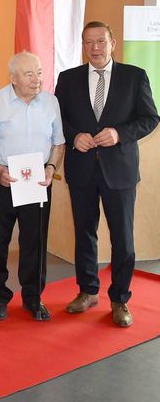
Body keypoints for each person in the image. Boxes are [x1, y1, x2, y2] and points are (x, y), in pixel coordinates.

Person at [55, 21, 159, 327]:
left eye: (100, 41)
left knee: (123, 239)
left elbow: (150, 118)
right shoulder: (68, 79)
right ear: (83, 46)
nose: (95, 48)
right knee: (85, 234)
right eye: (88, 43)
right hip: (82, 169)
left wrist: (119, 133)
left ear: (112, 43)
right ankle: (87, 291)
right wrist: (74, 136)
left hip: (120, 170)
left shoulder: (134, 76)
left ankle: (119, 298)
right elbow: (58, 119)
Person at [0, 52, 65, 322]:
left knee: (34, 241)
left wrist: (51, 168)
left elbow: (58, 142)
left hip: (36, 179)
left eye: (38, 72)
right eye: (29, 74)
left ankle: (33, 297)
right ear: (13, 78)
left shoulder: (51, 102)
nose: (36, 79)